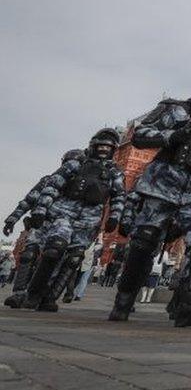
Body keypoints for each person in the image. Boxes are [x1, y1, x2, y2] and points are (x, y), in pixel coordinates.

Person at [106, 66, 191, 327]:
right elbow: (140, 136)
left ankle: (190, 301)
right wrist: (174, 135)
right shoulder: (177, 109)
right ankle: (124, 300)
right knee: (145, 242)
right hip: (163, 183)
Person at [23, 129, 126, 311]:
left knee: (74, 259)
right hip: (64, 212)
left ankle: (50, 297)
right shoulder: (76, 164)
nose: (103, 150)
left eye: (107, 147)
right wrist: (40, 209)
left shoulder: (114, 172)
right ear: (93, 146)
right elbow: (54, 185)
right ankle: (33, 293)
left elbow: (118, 196)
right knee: (54, 250)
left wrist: (115, 217)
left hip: (89, 220)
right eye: (100, 146)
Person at [3, 149, 84, 308]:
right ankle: (19, 293)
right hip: (43, 224)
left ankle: (47, 296)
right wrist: (12, 219)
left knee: (57, 258)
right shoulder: (49, 180)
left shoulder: (80, 186)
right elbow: (30, 199)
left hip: (64, 228)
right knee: (29, 254)